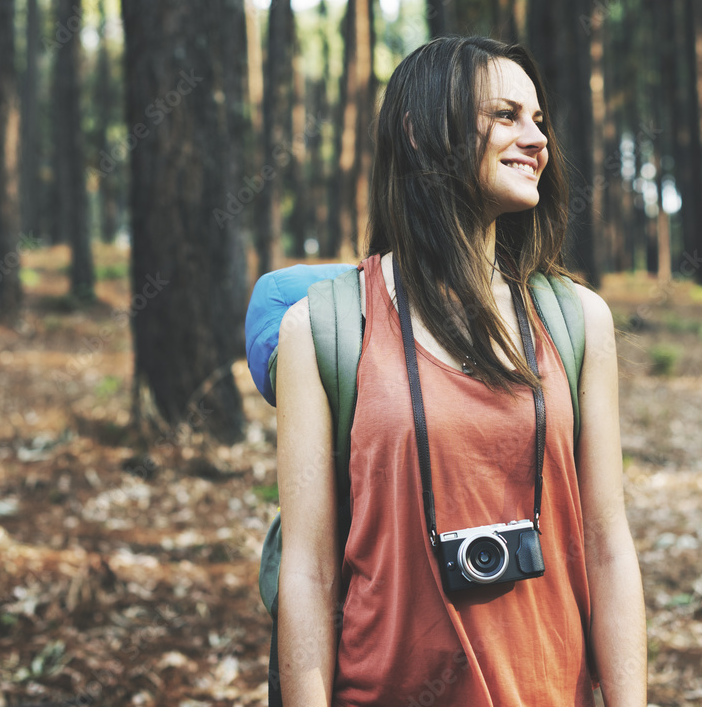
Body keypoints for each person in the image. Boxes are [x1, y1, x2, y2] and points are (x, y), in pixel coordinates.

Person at [274, 36, 646, 706]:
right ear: (419, 131)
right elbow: (308, 571)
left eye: (539, 121)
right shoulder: (324, 331)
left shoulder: (578, 321)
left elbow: (607, 546)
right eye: (506, 116)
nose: (535, 139)